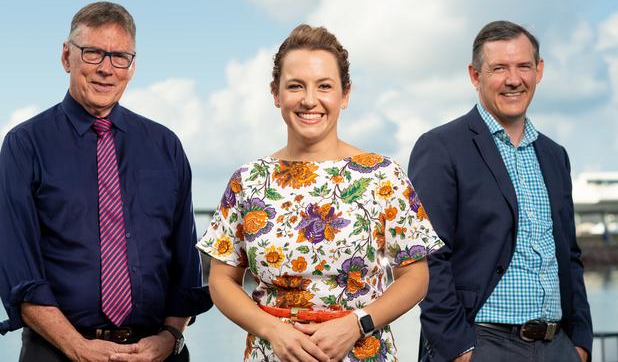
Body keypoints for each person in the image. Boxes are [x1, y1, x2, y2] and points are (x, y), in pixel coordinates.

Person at [196, 24, 443, 362]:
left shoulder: (383, 175)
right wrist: (271, 330)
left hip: (361, 351)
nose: (310, 100)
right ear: (276, 94)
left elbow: (415, 277)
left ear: (345, 94)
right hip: (271, 354)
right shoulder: (248, 180)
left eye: (324, 86)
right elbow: (222, 281)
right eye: (296, 86)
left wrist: (357, 324)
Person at [0, 1, 211, 362]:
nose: (107, 69)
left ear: (132, 66)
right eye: (93, 53)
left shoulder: (165, 146)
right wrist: (76, 347)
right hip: (57, 352)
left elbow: (185, 267)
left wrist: (171, 336)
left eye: (119, 57)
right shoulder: (25, 145)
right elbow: (19, 274)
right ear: (66, 57)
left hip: (155, 353)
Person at [408, 20, 593, 362]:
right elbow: (428, 258)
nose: (513, 79)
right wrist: (459, 350)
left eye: (524, 66)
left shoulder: (555, 155)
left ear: (538, 71)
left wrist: (580, 343)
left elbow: (569, 255)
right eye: (499, 68)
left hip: (559, 346)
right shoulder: (441, 147)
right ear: (475, 75)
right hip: (483, 343)